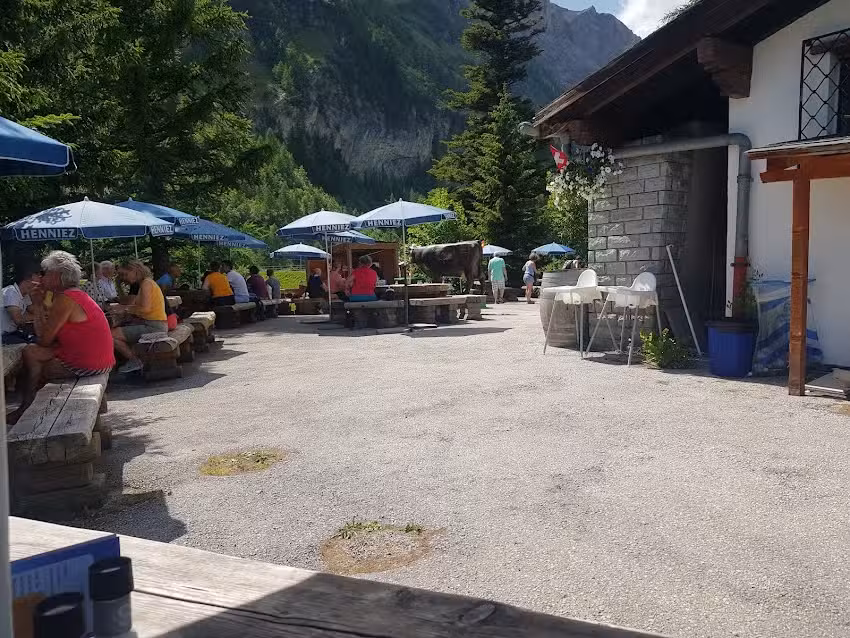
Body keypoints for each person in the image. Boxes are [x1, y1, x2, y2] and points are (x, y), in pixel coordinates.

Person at [7, 251, 115, 424]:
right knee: (31, 353)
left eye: (44, 273)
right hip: (100, 360)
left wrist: (37, 305)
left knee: (32, 360)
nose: (41, 278)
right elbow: (48, 338)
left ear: (56, 276)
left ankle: (29, 410)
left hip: (87, 364)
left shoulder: (65, 299)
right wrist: (39, 304)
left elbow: (43, 339)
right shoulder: (75, 294)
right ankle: (29, 408)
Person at [111, 260, 168, 374]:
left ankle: (135, 361)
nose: (124, 278)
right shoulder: (146, 283)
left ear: (135, 270)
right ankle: (133, 360)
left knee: (111, 335)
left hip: (154, 327)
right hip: (155, 324)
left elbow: (145, 308)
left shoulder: (146, 284)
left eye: (125, 274)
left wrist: (125, 309)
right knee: (120, 329)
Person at [2, 266, 42, 344]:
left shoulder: (25, 295)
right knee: (30, 344)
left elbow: (34, 310)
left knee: (38, 340)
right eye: (36, 284)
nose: (37, 287)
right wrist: (39, 316)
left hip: (12, 333)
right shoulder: (11, 292)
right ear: (27, 279)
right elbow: (18, 320)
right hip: (4, 335)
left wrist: (38, 299)